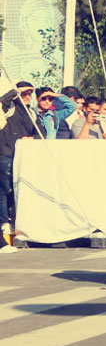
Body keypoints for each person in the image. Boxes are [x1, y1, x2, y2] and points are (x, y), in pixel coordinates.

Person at [0, 81, 36, 251]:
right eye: (25, 93)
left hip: (25, 158)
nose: (28, 96)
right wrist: (15, 91)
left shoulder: (31, 113)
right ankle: (4, 223)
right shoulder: (10, 108)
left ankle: (17, 222)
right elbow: (3, 102)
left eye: (30, 93)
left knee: (18, 191)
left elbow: (40, 132)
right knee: (4, 190)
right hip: (7, 154)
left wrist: (31, 139)